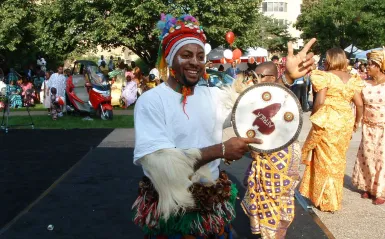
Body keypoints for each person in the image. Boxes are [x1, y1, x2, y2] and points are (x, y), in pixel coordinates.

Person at [132, 13, 317, 238]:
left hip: (212, 201)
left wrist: (286, 78)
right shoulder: (151, 101)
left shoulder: (212, 95)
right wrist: (220, 150)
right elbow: (160, 165)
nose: (195, 61)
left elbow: (255, 109)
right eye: (186, 55)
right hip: (173, 205)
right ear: (170, 59)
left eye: (200, 56)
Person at [240, 62, 301, 238]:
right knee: (272, 198)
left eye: (259, 77)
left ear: (272, 78)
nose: (254, 80)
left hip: (278, 157)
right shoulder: (259, 98)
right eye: (253, 76)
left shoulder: (285, 99)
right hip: (268, 156)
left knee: (273, 196)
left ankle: (271, 234)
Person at [299, 48, 364, 212]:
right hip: (345, 122)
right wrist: (356, 122)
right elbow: (360, 104)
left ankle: (326, 200)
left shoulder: (325, 77)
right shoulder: (352, 78)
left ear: (329, 60)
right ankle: (332, 197)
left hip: (328, 121)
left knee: (325, 160)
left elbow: (320, 101)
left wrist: (314, 116)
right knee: (338, 160)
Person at [352, 49, 385, 205]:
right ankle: (367, 186)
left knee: (382, 158)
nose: (367, 67)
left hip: (383, 126)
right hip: (368, 125)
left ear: (379, 66)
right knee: (367, 156)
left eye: (371, 64)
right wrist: (356, 122)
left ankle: (380, 191)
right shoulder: (364, 84)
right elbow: (359, 104)